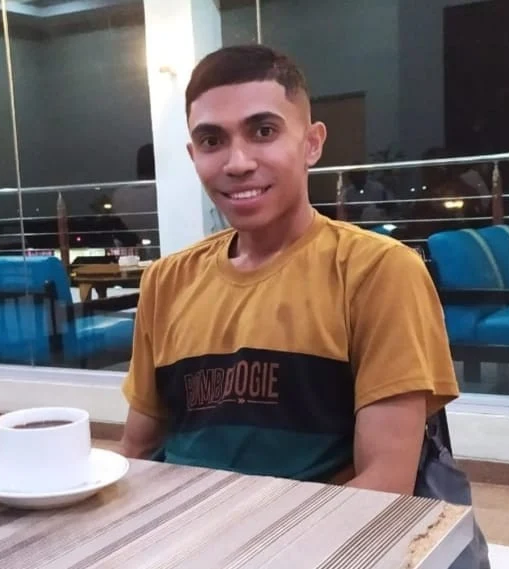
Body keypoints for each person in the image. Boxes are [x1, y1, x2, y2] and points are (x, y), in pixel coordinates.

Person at [119, 45, 460, 494]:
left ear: (312, 144)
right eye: (212, 141)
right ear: (193, 154)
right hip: (180, 523)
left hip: (312, 529)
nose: (237, 163)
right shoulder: (167, 280)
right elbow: (138, 450)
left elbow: (384, 484)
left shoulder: (377, 272)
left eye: (263, 131)